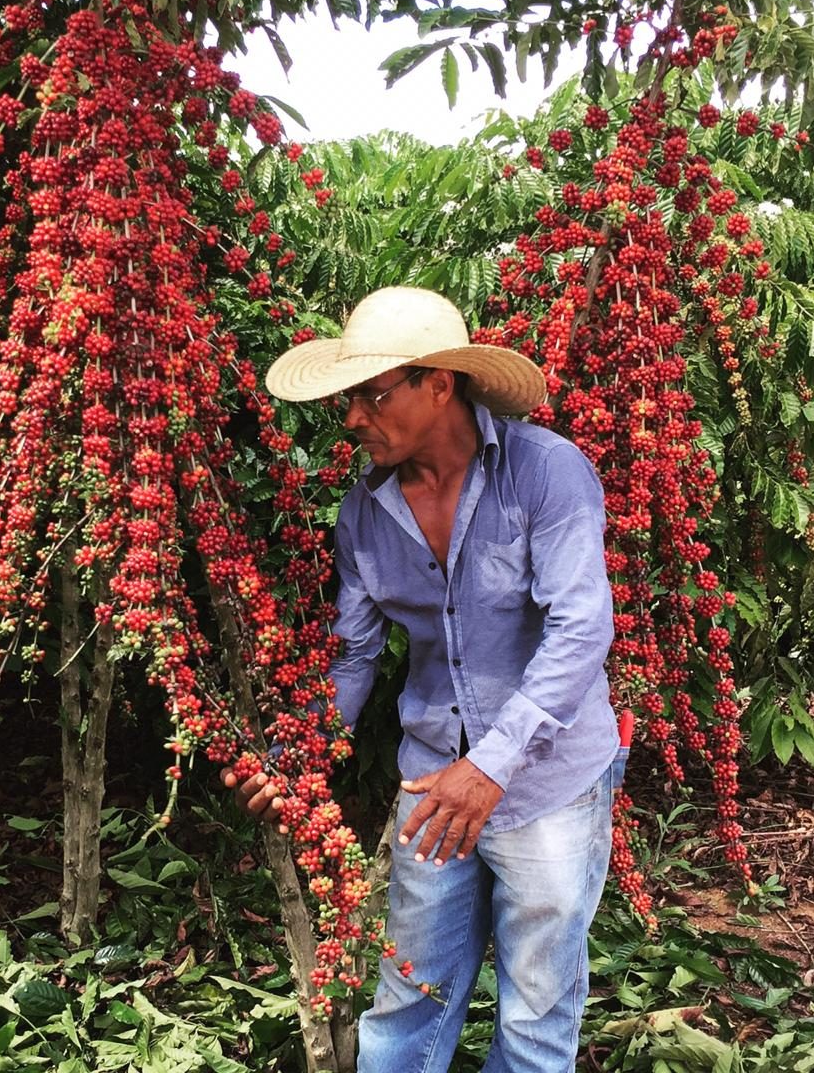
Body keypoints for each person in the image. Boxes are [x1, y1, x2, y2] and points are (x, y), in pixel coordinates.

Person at [223, 286, 623, 1072]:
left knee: (539, 1012)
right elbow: (354, 655)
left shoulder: (546, 473)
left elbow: (582, 631)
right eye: (348, 399)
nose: (351, 420)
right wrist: (297, 758)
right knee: (409, 996)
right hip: (433, 776)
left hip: (547, 782)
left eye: (370, 397)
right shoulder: (363, 513)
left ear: (437, 385)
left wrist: (491, 767)